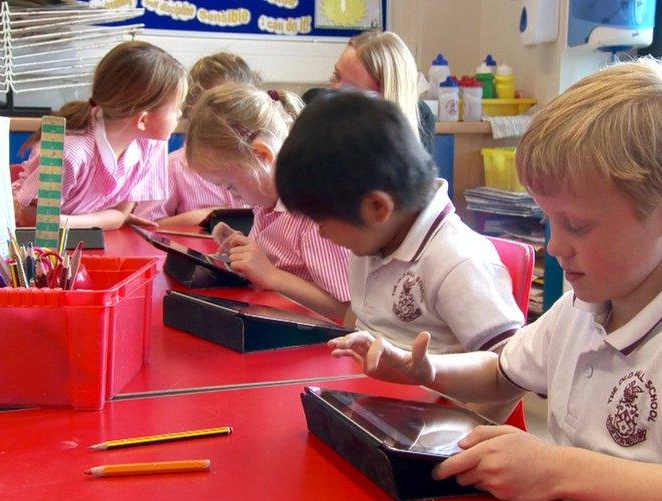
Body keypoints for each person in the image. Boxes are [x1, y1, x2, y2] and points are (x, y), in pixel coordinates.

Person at [328, 58, 662, 501]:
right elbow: (501, 371)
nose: (554, 246)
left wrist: (563, 469)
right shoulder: (585, 306)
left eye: (576, 225)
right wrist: (425, 372)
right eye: (549, 221)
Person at [275, 91, 523, 354]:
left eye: (321, 221)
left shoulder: (459, 262)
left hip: (426, 395)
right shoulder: (372, 242)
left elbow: (509, 374)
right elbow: (358, 322)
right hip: (361, 388)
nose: (320, 233)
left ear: (377, 207)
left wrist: (431, 377)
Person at [185, 84, 350, 320]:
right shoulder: (267, 202)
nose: (232, 197)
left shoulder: (314, 212)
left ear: (262, 156)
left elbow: (347, 311)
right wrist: (243, 248)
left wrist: (271, 275)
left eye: (230, 186)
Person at [14, 41, 185, 230]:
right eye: (176, 108)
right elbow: (29, 217)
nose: (180, 114)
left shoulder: (151, 145)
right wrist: (99, 221)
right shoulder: (68, 154)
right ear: (143, 120)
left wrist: (65, 223)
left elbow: (121, 214)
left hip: (80, 242)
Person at [138, 52, 261, 226]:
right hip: (194, 252)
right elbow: (145, 225)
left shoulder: (261, 162)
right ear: (192, 108)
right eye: (219, 108)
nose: (233, 117)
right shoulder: (174, 166)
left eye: (241, 106)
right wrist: (210, 216)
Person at [329, 30, 435, 155]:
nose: (334, 91)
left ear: (385, 99)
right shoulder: (315, 121)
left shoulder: (421, 121)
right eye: (336, 76)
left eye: (350, 90)